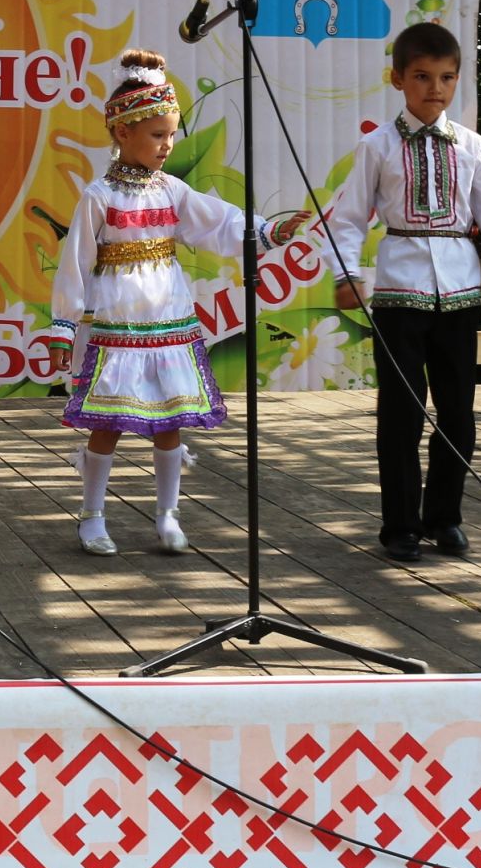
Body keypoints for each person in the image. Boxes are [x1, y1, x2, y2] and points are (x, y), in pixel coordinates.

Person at [44, 50, 310, 556]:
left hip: (166, 317)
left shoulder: (174, 191)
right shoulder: (98, 196)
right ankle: (92, 514)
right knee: (108, 422)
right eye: (157, 135)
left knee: (169, 420)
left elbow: (221, 223)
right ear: (122, 133)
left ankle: (168, 514)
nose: (168, 145)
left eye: (171, 134)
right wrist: (63, 327)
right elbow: (74, 263)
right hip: (116, 321)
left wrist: (269, 230)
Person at [323, 22, 481, 562]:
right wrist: (347, 275)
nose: (434, 88)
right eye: (422, 77)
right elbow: (346, 219)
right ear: (398, 80)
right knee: (402, 413)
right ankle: (400, 526)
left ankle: (445, 517)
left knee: (458, 410)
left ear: (456, 80)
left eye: (446, 77)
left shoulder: (473, 147)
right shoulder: (378, 146)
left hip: (459, 291)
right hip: (398, 291)